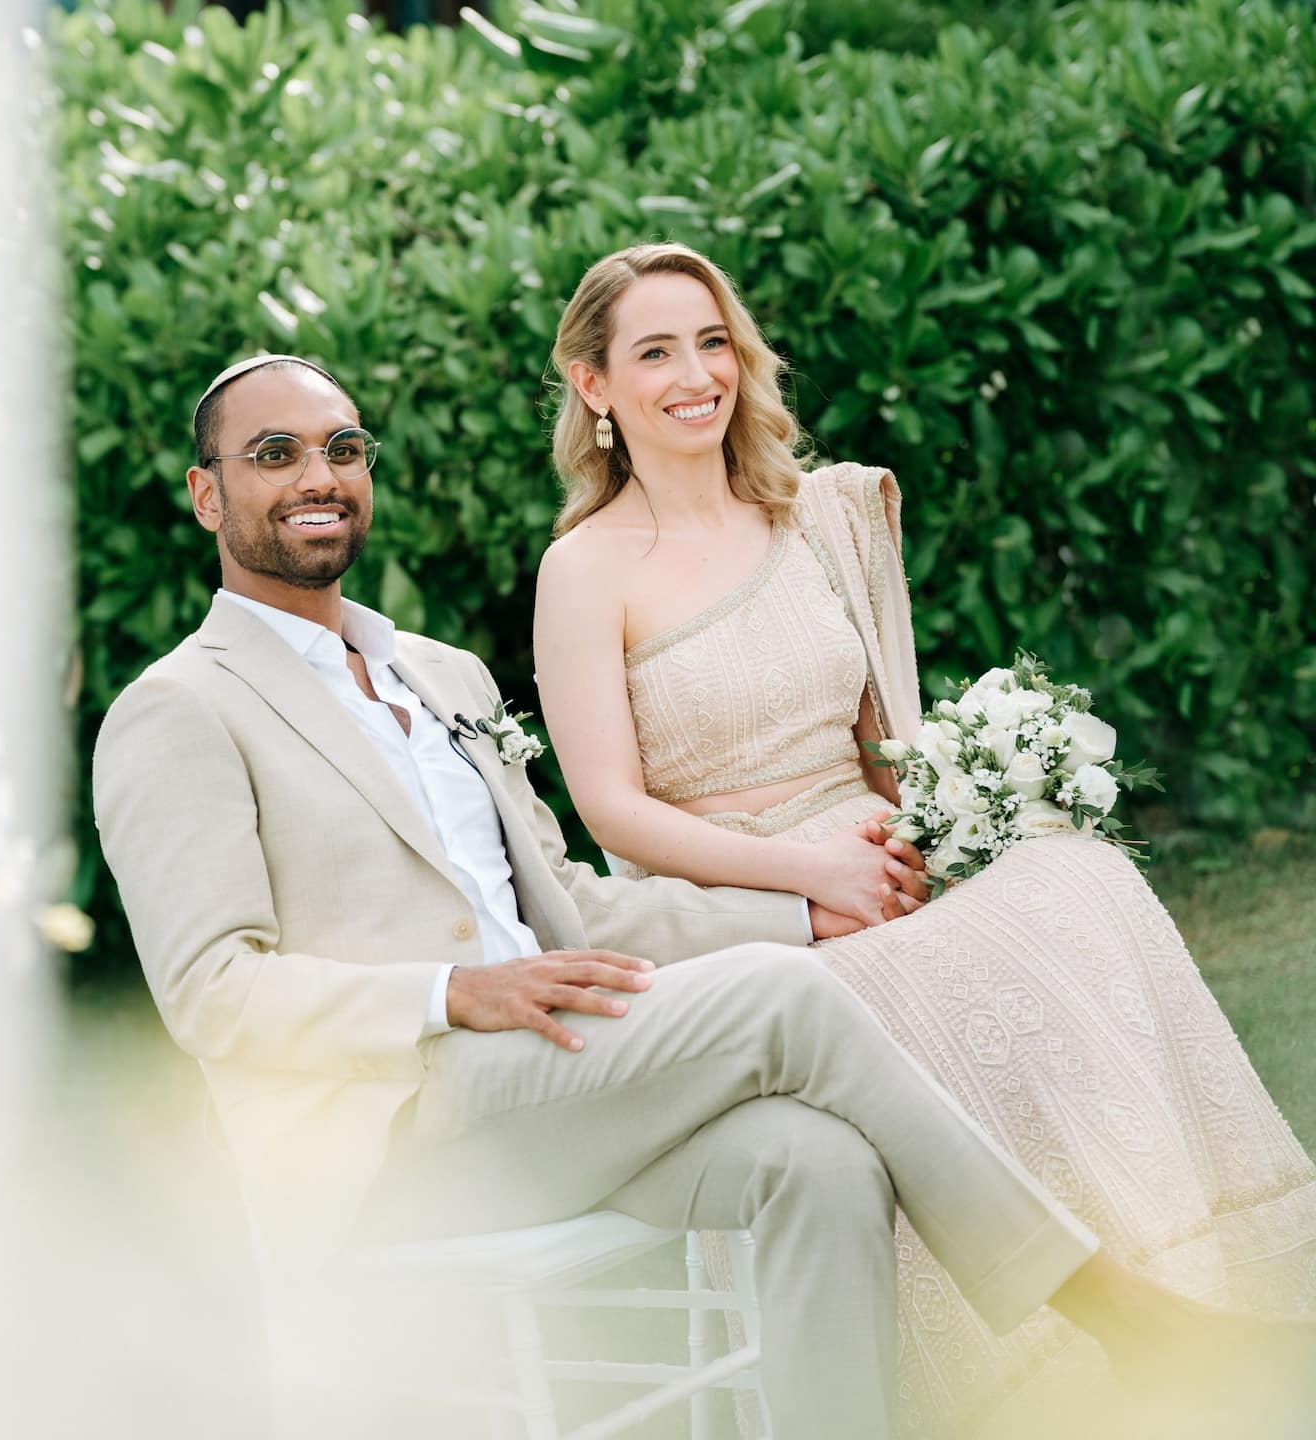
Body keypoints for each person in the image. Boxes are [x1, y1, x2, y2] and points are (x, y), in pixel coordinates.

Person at [91, 353, 1296, 1439]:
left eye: (342, 448)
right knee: (786, 1000)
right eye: (275, 453)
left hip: (556, 1084)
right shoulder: (180, 709)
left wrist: (803, 912)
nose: (319, 475)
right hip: (390, 1144)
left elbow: (579, 906)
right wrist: (456, 993)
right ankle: (1118, 1312)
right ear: (208, 495)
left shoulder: (438, 675)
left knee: (818, 1161)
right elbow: (213, 993)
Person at [532, 241, 1316, 1435]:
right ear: (594, 384)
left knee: (1079, 881)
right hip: (752, 902)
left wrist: (938, 828)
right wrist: (811, 876)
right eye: (655, 353)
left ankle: (1185, 1273)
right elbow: (611, 811)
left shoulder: (810, 518)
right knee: (925, 979)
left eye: (712, 342)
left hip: (883, 859)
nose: (696, 376)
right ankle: (1051, 1357)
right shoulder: (584, 569)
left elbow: (877, 744)